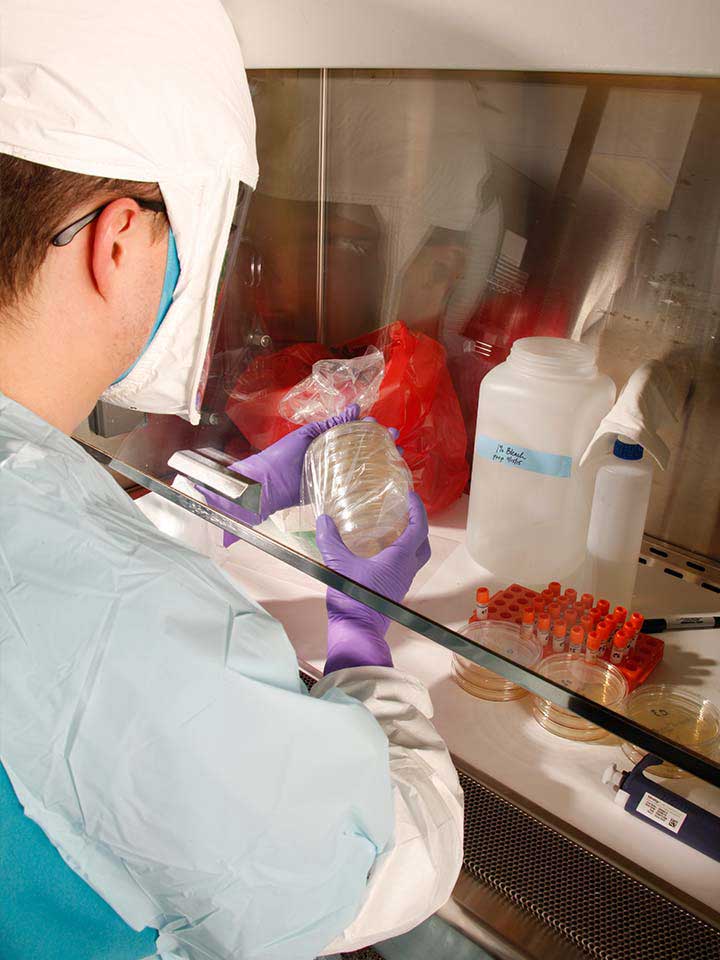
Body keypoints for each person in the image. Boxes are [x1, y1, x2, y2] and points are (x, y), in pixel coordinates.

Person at [0, 2, 464, 960]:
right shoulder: (110, 628)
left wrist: (206, 513)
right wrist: (362, 636)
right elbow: (379, 863)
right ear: (118, 241)